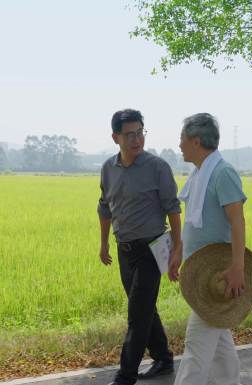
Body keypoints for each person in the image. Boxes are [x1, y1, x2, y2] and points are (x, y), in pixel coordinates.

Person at [98, 108, 183, 385]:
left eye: (140, 133)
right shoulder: (108, 168)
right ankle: (163, 358)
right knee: (145, 309)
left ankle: (126, 376)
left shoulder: (157, 167)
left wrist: (177, 249)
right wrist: (103, 244)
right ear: (115, 137)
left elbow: (173, 209)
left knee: (137, 315)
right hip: (124, 251)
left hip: (152, 249)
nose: (137, 140)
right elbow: (105, 207)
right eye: (130, 134)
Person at [171, 113, 247, 385]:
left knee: (196, 351)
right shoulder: (199, 174)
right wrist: (178, 250)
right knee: (221, 352)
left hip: (217, 275)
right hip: (201, 275)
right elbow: (193, 222)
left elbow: (237, 222)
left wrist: (238, 267)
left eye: (182, 139)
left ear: (196, 141)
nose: (179, 145)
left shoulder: (222, 173)